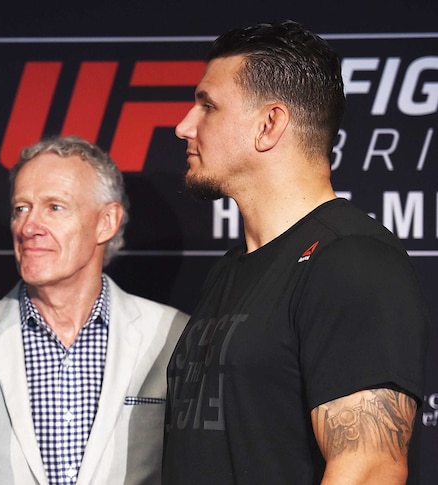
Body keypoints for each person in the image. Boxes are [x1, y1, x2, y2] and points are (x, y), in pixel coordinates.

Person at [163, 20, 428, 484]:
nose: (184, 125)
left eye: (208, 106)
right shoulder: (232, 269)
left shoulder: (352, 262)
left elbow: (370, 470)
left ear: (269, 125)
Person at [0, 135, 189, 485]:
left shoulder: (172, 335)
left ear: (106, 222)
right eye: (21, 208)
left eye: (54, 207)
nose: (29, 227)